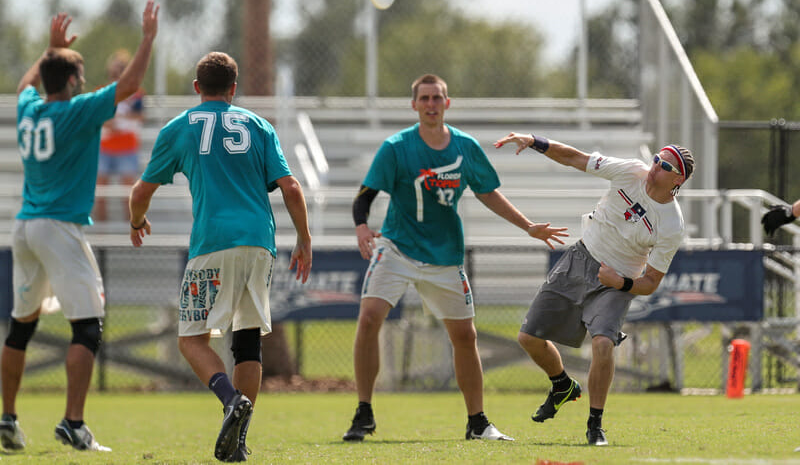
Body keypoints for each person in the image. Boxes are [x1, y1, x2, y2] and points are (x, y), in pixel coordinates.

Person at [342, 74, 568, 443]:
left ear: (448, 103)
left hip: (445, 256)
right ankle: (364, 411)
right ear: (414, 104)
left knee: (465, 335)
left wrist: (528, 226)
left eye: (437, 98)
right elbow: (365, 195)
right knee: (368, 318)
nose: (431, 104)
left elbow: (488, 192)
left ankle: (477, 422)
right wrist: (362, 227)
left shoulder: (464, 147)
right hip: (397, 248)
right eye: (425, 98)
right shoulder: (396, 147)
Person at [128, 51, 312, 463]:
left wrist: (137, 220)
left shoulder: (179, 128)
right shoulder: (259, 125)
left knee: (191, 340)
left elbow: (140, 193)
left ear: (197, 88)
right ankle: (240, 441)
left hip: (212, 243)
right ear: (234, 88)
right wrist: (304, 239)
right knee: (247, 343)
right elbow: (292, 188)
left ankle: (231, 400)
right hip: (259, 245)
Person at [0, 1, 159, 453]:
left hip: (25, 226)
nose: (84, 84)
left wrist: (50, 50)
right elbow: (129, 85)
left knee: (21, 327)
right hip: (59, 228)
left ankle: (8, 418)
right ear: (71, 82)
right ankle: (73, 423)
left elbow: (24, 84)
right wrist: (147, 38)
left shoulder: (30, 109)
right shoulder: (75, 112)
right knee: (87, 328)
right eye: (80, 77)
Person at [494, 132, 694, 446]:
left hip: (616, 281)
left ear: (678, 179)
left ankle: (595, 425)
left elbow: (651, 282)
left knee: (603, 345)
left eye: (665, 166)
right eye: (656, 159)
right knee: (528, 338)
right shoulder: (630, 171)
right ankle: (561, 385)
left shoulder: (671, 224)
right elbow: (575, 157)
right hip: (581, 257)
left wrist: (622, 283)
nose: (655, 166)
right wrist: (534, 141)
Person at [94, 49, 146, 222]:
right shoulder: (102, 91)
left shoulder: (136, 93)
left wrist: (119, 121)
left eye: (120, 71)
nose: (116, 75)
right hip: (105, 148)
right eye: (114, 72)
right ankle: (102, 242)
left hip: (127, 147)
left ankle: (132, 235)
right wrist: (111, 122)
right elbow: (97, 118)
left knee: (128, 196)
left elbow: (139, 116)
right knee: (100, 194)